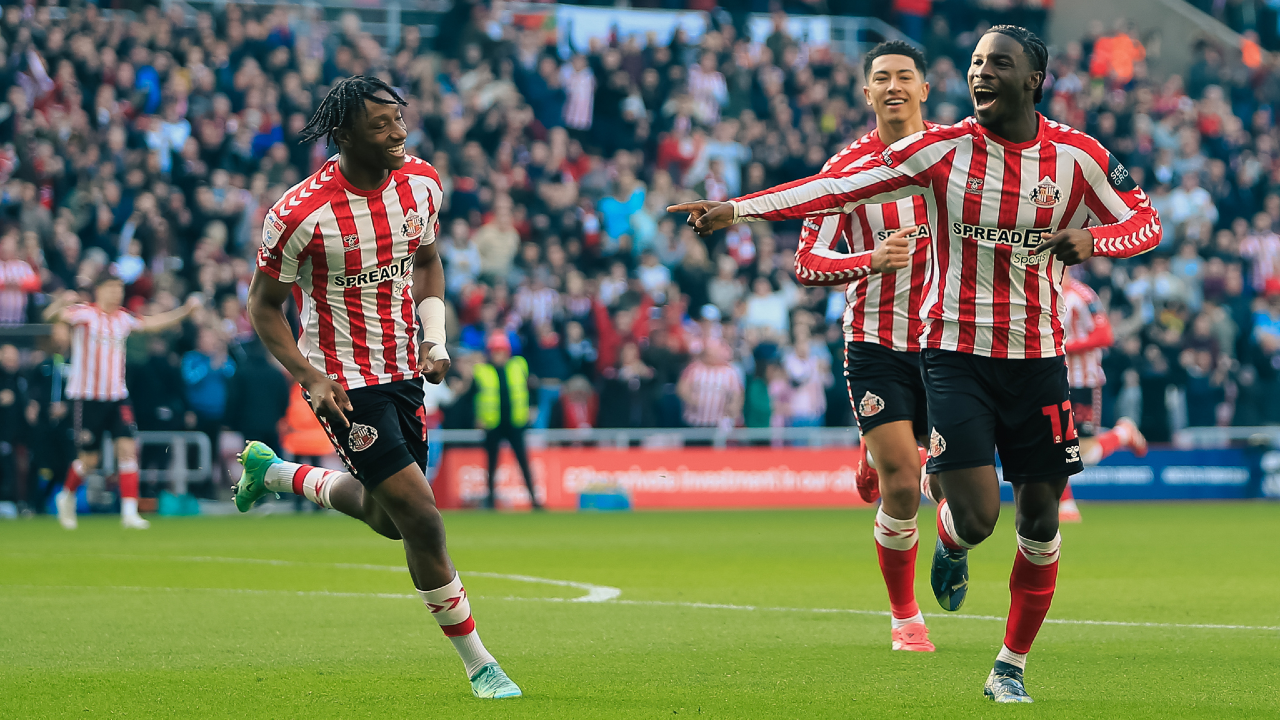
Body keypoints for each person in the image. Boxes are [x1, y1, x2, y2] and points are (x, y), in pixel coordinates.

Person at [671, 26, 1162, 702]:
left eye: (999, 63)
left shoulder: (1079, 157)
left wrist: (1093, 238)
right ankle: (938, 563)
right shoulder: (940, 152)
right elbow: (830, 193)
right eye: (976, 62)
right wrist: (735, 209)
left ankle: (1009, 668)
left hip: (1038, 359)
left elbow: (1146, 222)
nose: (983, 72)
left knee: (1042, 520)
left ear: (1033, 80)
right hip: (949, 354)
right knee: (975, 514)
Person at [233, 76, 521, 699]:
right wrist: (309, 376)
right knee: (422, 517)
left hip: (404, 375)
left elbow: (426, 260)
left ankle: (279, 474)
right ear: (344, 135)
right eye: (381, 123)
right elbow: (263, 307)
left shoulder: (421, 183)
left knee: (386, 518)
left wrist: (436, 339)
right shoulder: (298, 213)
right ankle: (480, 664)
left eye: (400, 119)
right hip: (342, 384)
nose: (398, 131)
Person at [748, 41, 940, 652]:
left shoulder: (957, 155)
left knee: (965, 499)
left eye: (904, 77)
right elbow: (806, 261)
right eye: (881, 78)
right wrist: (871, 260)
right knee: (905, 487)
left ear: (924, 88)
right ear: (866, 93)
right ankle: (905, 617)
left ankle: (952, 540)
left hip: (951, 341)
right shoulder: (846, 169)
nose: (893, 87)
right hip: (876, 342)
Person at [43, 278, 200, 530]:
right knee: (89, 460)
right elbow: (51, 316)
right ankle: (67, 495)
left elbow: (150, 324)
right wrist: (59, 302)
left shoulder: (123, 319)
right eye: (111, 288)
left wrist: (184, 312)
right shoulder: (84, 314)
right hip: (87, 396)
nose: (116, 293)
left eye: (119, 289)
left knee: (127, 450)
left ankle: (129, 513)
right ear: (100, 290)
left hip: (117, 396)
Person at [1058, 274, 1148, 522]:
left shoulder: (1083, 295)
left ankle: (1123, 434)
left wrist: (1064, 346)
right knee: (1052, 441)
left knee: (1086, 452)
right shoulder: (1037, 288)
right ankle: (1066, 503)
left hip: (1083, 381)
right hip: (1051, 379)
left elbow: (1105, 335)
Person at [474, 331, 540, 510]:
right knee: (492, 463)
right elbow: (473, 396)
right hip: (492, 423)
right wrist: (477, 418)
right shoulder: (482, 371)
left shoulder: (519, 366)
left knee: (523, 462)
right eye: (496, 351)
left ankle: (534, 499)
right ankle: (490, 501)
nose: (499, 355)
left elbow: (532, 388)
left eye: (501, 351)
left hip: (515, 422)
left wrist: (532, 407)